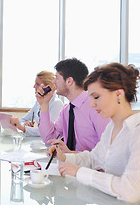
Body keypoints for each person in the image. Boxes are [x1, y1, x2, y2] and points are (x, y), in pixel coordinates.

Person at [50, 63, 140, 203]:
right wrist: (64, 157)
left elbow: (130, 191)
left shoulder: (137, 131)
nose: (91, 104)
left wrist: (79, 172)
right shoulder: (112, 127)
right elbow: (94, 158)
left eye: (96, 97)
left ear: (118, 94)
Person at [37, 58, 110, 152]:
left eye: (57, 78)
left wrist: (71, 154)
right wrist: (44, 105)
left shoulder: (95, 107)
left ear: (69, 81)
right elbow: (49, 139)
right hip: (71, 164)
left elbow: (108, 150)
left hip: (92, 166)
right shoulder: (66, 110)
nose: (54, 82)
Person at [10, 71, 63, 136]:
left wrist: (24, 128)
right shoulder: (38, 102)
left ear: (47, 87)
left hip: (53, 143)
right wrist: (25, 124)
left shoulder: (56, 104)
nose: (34, 86)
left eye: (37, 84)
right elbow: (23, 120)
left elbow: (48, 131)